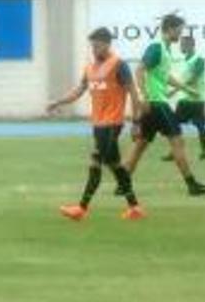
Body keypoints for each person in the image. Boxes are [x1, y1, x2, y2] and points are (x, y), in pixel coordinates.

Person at [47, 26, 145, 221]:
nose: (94, 50)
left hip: (113, 123)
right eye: (92, 46)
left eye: (97, 46)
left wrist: (136, 122)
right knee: (115, 165)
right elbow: (79, 90)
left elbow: (134, 94)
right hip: (98, 124)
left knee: (96, 162)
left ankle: (81, 209)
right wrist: (58, 102)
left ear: (107, 44)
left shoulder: (118, 64)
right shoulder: (90, 67)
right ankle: (134, 207)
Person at [124, 14, 205, 197]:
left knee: (141, 144)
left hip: (155, 103)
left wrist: (186, 88)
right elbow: (140, 69)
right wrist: (144, 97)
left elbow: (165, 77)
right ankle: (192, 185)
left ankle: (123, 183)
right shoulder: (156, 48)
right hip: (157, 104)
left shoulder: (166, 51)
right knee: (177, 142)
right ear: (170, 29)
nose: (181, 34)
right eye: (179, 30)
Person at [172, 32, 205, 161]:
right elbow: (184, 79)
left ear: (190, 45)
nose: (180, 47)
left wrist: (175, 89)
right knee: (173, 125)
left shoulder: (198, 60)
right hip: (184, 99)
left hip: (196, 100)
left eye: (182, 45)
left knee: (200, 126)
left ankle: (204, 151)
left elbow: (192, 78)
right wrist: (178, 89)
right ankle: (175, 151)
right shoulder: (184, 60)